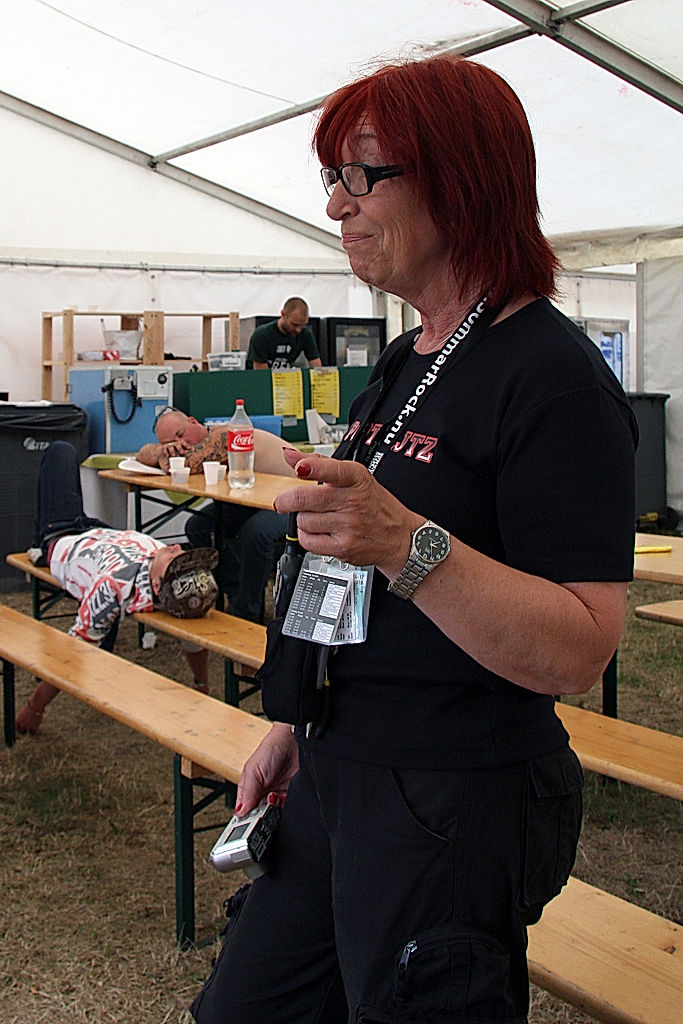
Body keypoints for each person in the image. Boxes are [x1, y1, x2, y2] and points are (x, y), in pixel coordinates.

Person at [190, 54, 637, 1024]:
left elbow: (580, 643)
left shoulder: (549, 378)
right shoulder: (408, 356)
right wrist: (296, 720)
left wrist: (406, 543)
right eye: (333, 180)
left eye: (362, 176)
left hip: (449, 800)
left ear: (459, 178)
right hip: (338, 768)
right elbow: (345, 565)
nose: (337, 208)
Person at [15, 441, 219, 735]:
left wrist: (34, 709)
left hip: (63, 534)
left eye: (176, 558)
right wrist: (202, 684)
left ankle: (39, 547)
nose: (176, 547)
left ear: (159, 584)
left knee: (61, 450)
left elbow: (74, 652)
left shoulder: (113, 588)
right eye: (185, 557)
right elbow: (194, 638)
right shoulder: (165, 577)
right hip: (99, 531)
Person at [137, 409, 297, 622]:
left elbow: (185, 464)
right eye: (169, 442)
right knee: (198, 526)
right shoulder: (191, 446)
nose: (178, 443)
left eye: (180, 434)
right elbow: (141, 455)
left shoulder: (224, 435)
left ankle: (248, 612)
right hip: (258, 498)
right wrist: (160, 452)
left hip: (298, 498)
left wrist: (163, 455)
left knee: (256, 532)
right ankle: (234, 590)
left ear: (194, 422)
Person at [246, 297, 322, 369]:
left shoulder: (305, 334)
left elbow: (316, 366)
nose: (298, 329)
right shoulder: (262, 335)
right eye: (294, 324)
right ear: (283, 314)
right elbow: (261, 373)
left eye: (302, 325)